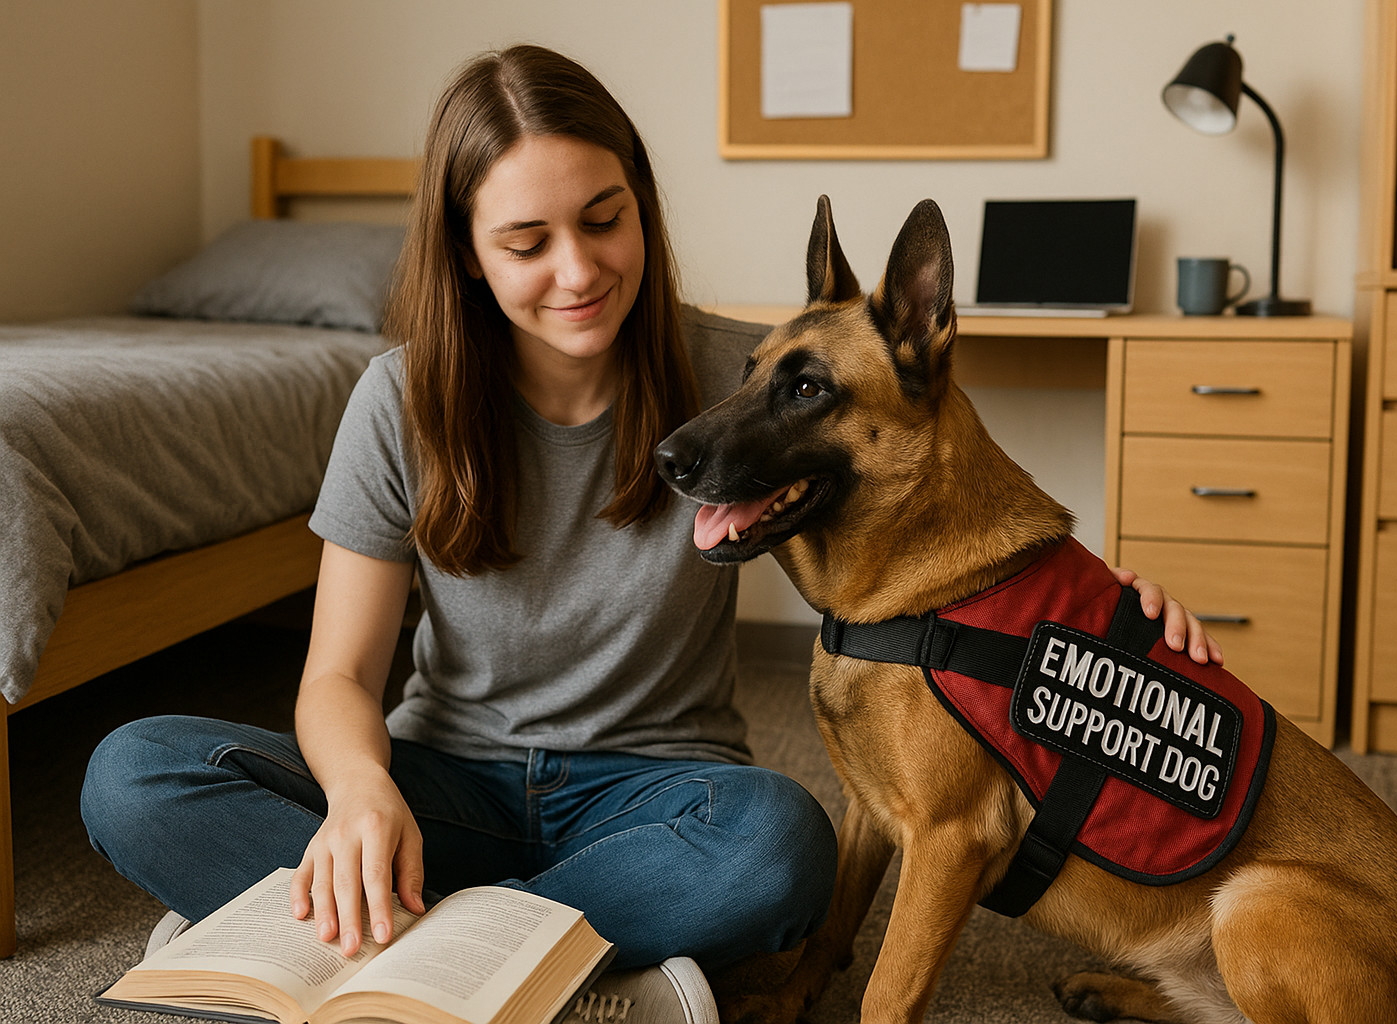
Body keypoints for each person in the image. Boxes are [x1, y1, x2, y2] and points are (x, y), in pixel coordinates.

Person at [80, 44, 1221, 1024]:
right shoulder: (399, 398)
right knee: (132, 774)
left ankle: (392, 944)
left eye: (604, 220)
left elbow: (937, 491)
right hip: (445, 788)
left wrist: (1107, 605)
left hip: (663, 798)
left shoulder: (755, 378)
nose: (578, 271)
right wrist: (362, 790)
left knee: (782, 847)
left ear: (642, 206)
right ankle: (577, 962)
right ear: (467, 252)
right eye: (526, 242)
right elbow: (336, 673)